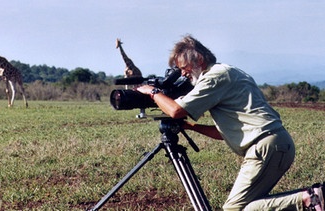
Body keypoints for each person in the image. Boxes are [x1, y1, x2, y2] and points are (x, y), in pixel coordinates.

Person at [137, 35, 324, 210]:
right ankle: (312, 197)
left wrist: (152, 92)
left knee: (234, 209)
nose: (183, 73)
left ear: (199, 59)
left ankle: (310, 198)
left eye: (183, 67)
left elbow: (176, 111)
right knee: (250, 205)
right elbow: (222, 133)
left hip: (265, 146)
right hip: (276, 144)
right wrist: (189, 126)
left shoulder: (214, 77)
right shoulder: (228, 72)